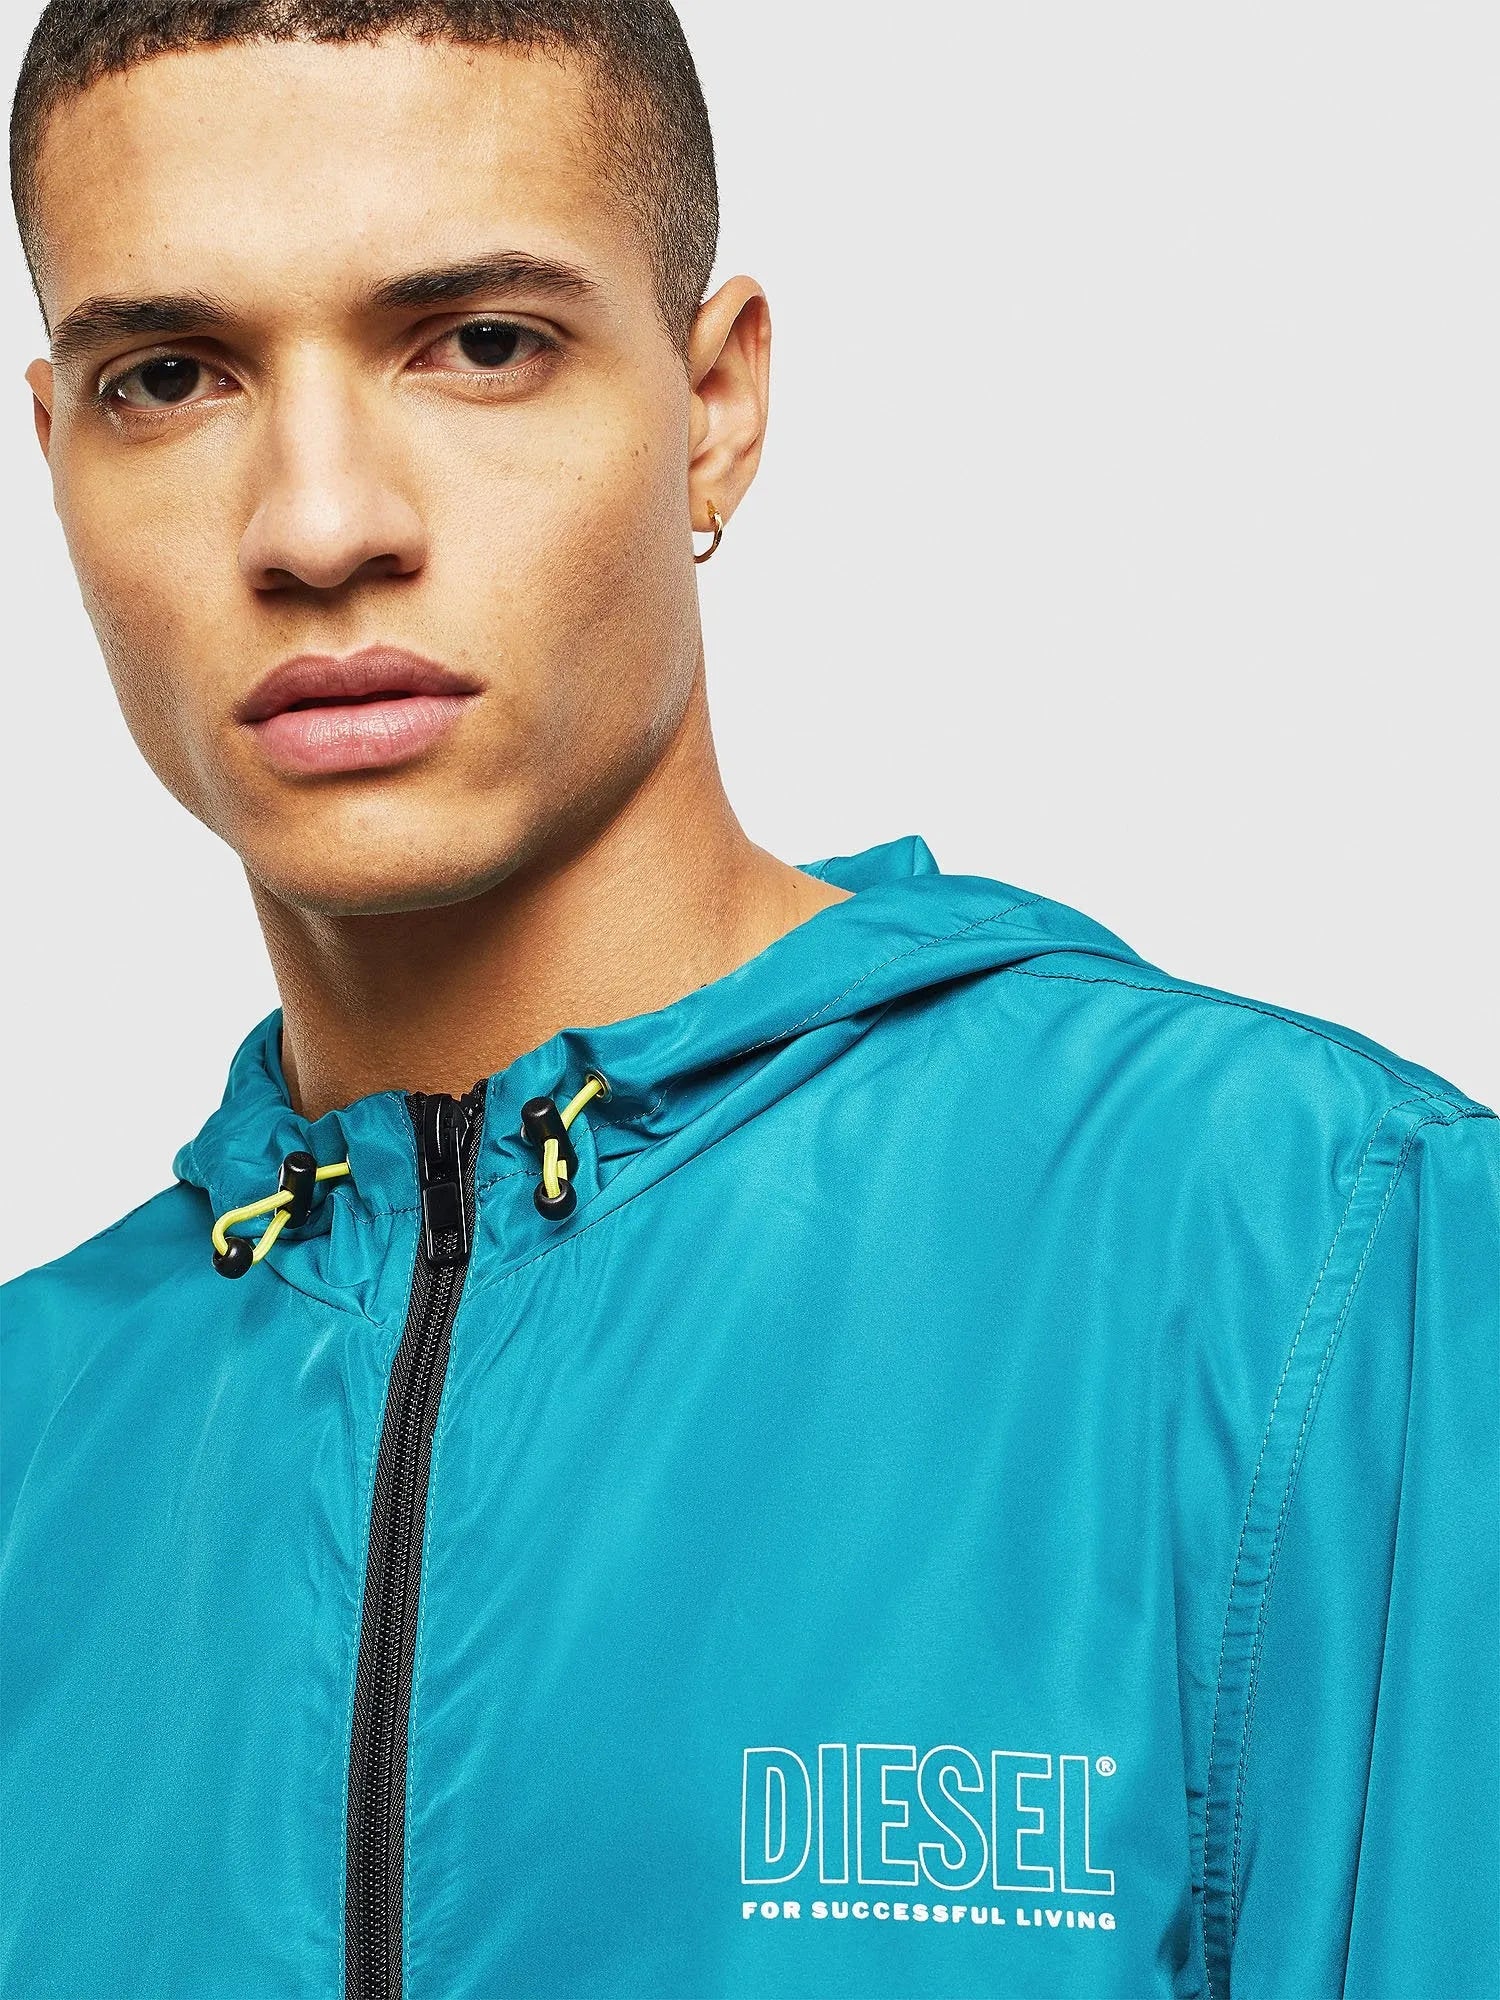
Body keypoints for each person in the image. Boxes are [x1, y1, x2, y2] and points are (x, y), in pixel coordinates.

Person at [1, 3, 1495, 1996]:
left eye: (479, 343)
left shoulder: (1317, 1240)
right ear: (57, 453)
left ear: (713, 405)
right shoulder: (34, 1431)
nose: (321, 523)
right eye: (171, 377)